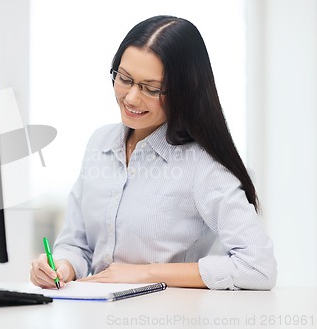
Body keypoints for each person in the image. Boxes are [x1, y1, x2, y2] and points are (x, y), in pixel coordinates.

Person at [29, 15, 277, 290]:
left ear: (185, 91)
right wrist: (61, 267)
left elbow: (258, 267)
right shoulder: (99, 143)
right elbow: (78, 245)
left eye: (151, 88)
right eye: (124, 79)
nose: (132, 98)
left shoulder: (203, 165)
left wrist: (146, 274)